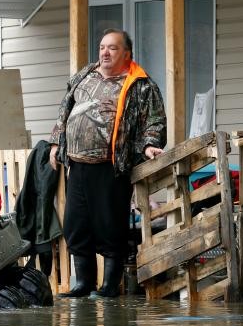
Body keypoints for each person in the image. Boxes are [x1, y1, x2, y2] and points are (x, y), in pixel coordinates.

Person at [49, 28, 166, 298]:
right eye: (102, 47)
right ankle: (83, 284)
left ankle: (110, 286)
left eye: (112, 48)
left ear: (126, 53)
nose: (105, 52)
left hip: (111, 165)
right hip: (77, 165)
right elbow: (64, 109)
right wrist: (56, 143)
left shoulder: (141, 84)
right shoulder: (83, 76)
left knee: (109, 226)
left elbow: (154, 121)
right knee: (76, 225)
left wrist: (149, 145)